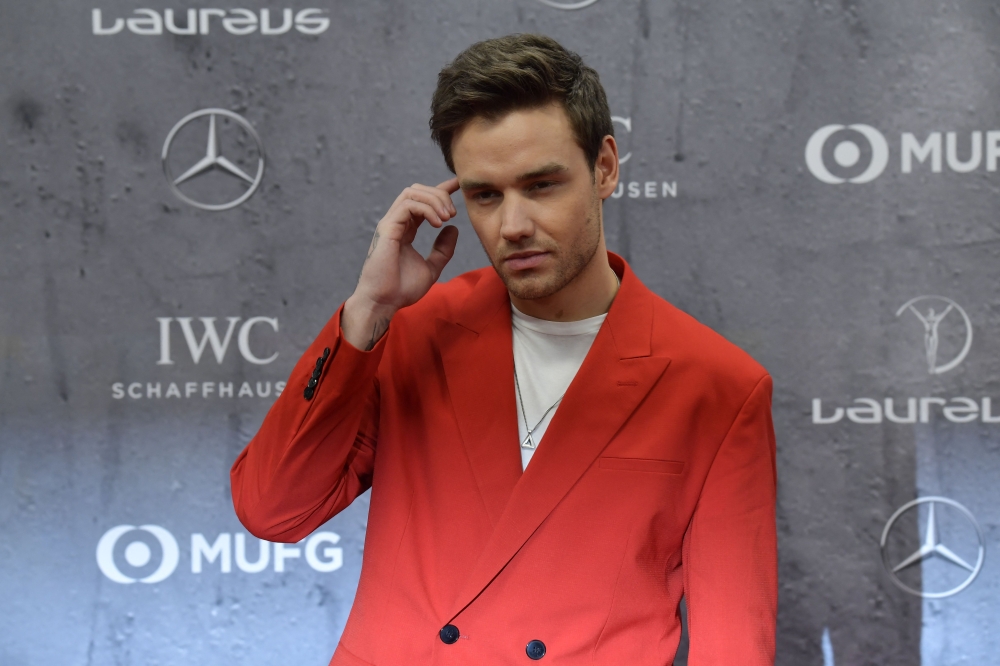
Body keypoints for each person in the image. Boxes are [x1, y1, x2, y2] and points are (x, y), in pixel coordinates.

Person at [231, 33, 777, 665]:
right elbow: (271, 511)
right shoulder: (413, 330)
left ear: (604, 167)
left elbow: (734, 641)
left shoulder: (717, 386)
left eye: (542, 185)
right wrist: (367, 313)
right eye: (485, 195)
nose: (513, 225)